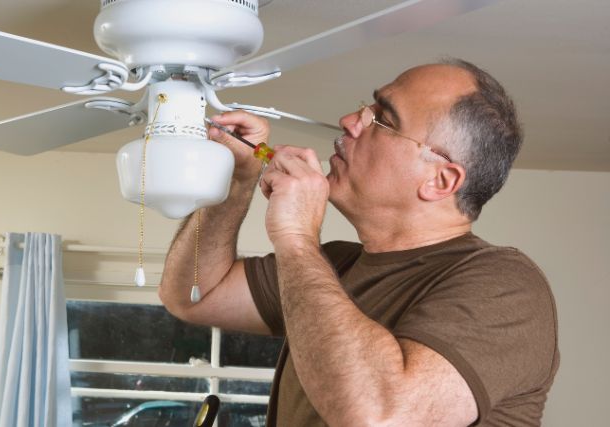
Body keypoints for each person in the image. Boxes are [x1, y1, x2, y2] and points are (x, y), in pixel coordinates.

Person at [159, 58, 559, 426]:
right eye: (365, 108)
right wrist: (238, 181)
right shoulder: (332, 266)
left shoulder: (507, 286)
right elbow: (194, 294)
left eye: (382, 119)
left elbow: (379, 417)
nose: (349, 120)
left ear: (441, 181)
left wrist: (297, 239)